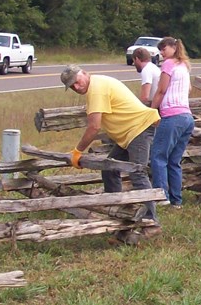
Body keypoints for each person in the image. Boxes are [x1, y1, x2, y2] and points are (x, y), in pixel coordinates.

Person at [61, 65, 161, 232]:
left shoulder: (96, 89)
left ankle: (151, 222)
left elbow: (94, 127)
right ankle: (117, 211)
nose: (76, 87)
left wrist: (78, 151)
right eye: (72, 86)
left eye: (77, 82)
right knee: (109, 169)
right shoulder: (96, 85)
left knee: (137, 172)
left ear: (85, 74)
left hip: (139, 129)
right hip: (130, 134)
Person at [148, 37, 194, 209]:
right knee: (174, 160)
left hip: (171, 115)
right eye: (160, 50)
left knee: (159, 157)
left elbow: (161, 90)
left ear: (174, 47)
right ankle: (177, 200)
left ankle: (161, 196)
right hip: (186, 116)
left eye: (164, 48)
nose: (162, 52)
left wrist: (152, 110)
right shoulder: (184, 66)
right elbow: (188, 89)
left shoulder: (168, 64)